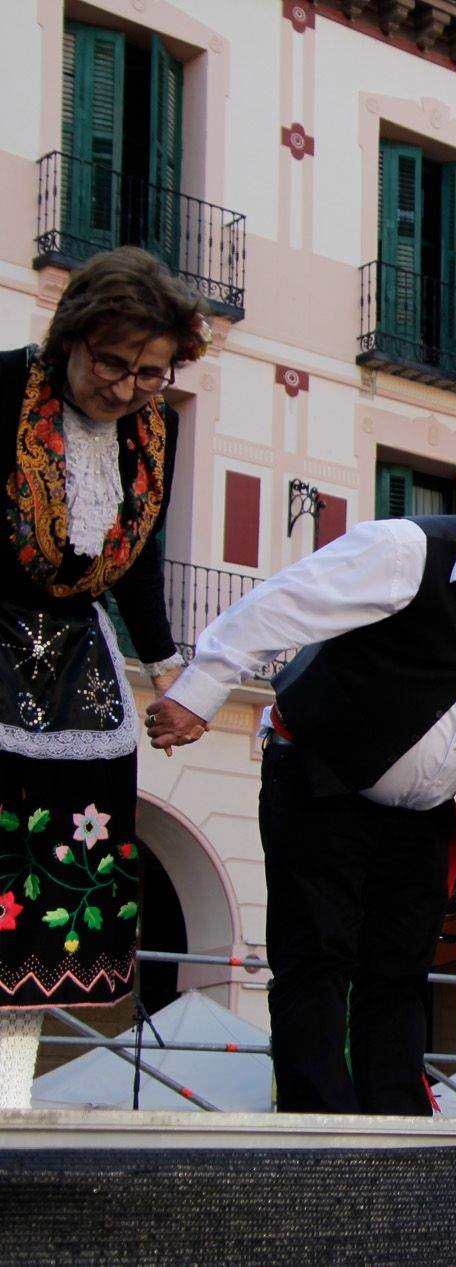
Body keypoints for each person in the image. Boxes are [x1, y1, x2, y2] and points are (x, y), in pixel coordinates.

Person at [148, 474, 456, 1114]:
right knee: (315, 955)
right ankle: (319, 1124)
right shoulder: (404, 550)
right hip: (323, 779)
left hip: (426, 816)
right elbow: (282, 605)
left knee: (402, 969)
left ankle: (398, 1126)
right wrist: (199, 690)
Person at [0, 247, 205, 1109]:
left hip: (78, 670)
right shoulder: (3, 388)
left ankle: (7, 1098)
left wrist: (171, 676)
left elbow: (141, 562)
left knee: (45, 894)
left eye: (150, 374)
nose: (127, 388)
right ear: (72, 338)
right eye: (112, 364)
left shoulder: (156, 430)